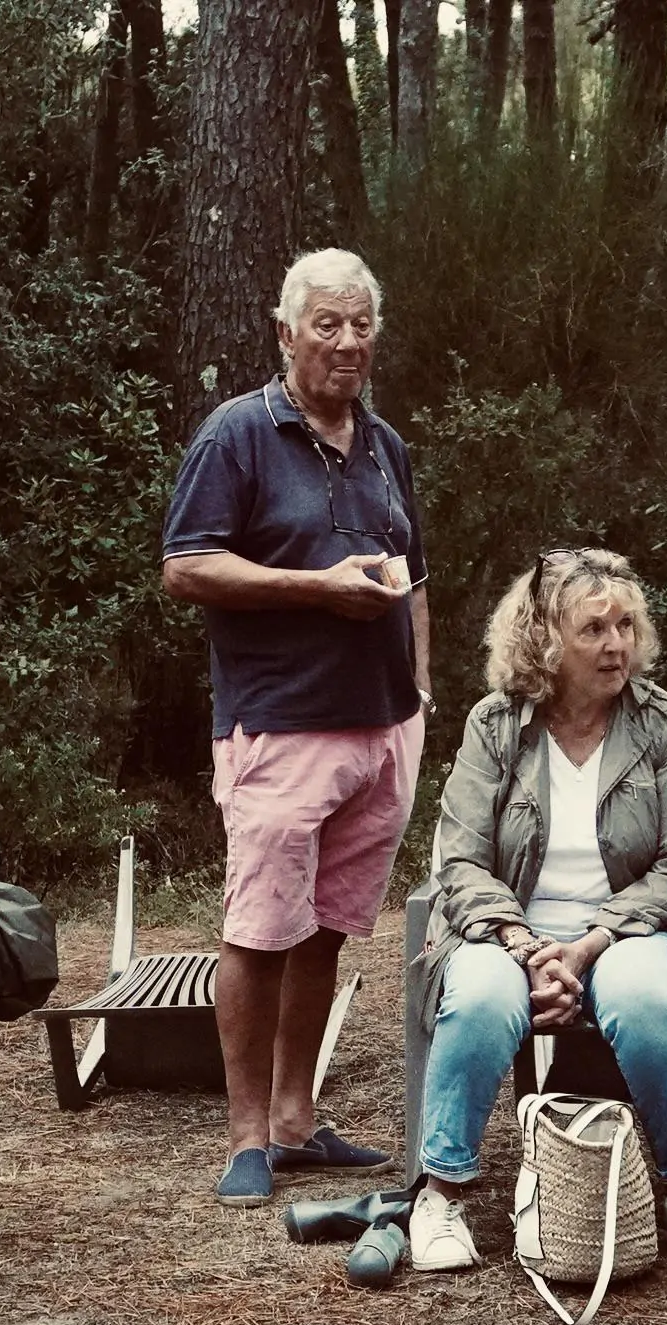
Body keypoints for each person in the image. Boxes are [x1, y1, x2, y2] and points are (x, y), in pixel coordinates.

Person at [161, 249, 427, 1207]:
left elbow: (414, 580)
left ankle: (296, 1120)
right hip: (279, 725)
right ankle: (245, 1138)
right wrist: (313, 589)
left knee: (326, 932)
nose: (348, 342)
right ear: (285, 333)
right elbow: (185, 566)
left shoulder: (385, 445)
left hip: (382, 730)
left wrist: (421, 694)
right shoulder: (236, 434)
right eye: (327, 324)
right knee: (259, 930)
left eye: (361, 324)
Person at [406, 548, 667, 1270]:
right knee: (480, 999)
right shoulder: (495, 724)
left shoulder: (663, 722)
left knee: (645, 998)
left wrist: (587, 946)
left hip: (631, 926)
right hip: (504, 927)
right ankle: (440, 1195)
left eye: (625, 626)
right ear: (545, 640)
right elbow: (460, 860)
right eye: (593, 629)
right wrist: (524, 945)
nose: (617, 645)